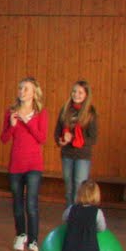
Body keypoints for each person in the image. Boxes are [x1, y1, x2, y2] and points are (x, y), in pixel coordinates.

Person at [2, 77, 47, 251]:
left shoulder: (40, 113)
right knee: (17, 202)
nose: (22, 91)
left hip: (34, 164)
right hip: (16, 163)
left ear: (34, 93)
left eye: (26, 89)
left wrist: (27, 122)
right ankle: (21, 233)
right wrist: (13, 125)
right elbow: (4, 138)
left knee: (31, 203)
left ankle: (33, 240)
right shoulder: (11, 112)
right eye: (20, 88)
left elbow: (42, 138)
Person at [56, 80, 98, 214]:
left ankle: (78, 217)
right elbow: (57, 132)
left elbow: (93, 138)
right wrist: (61, 140)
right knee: (69, 189)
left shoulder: (90, 112)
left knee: (79, 188)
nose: (76, 94)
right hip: (67, 154)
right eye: (74, 91)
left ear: (86, 95)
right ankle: (69, 216)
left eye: (80, 92)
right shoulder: (65, 110)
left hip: (82, 156)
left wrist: (74, 139)